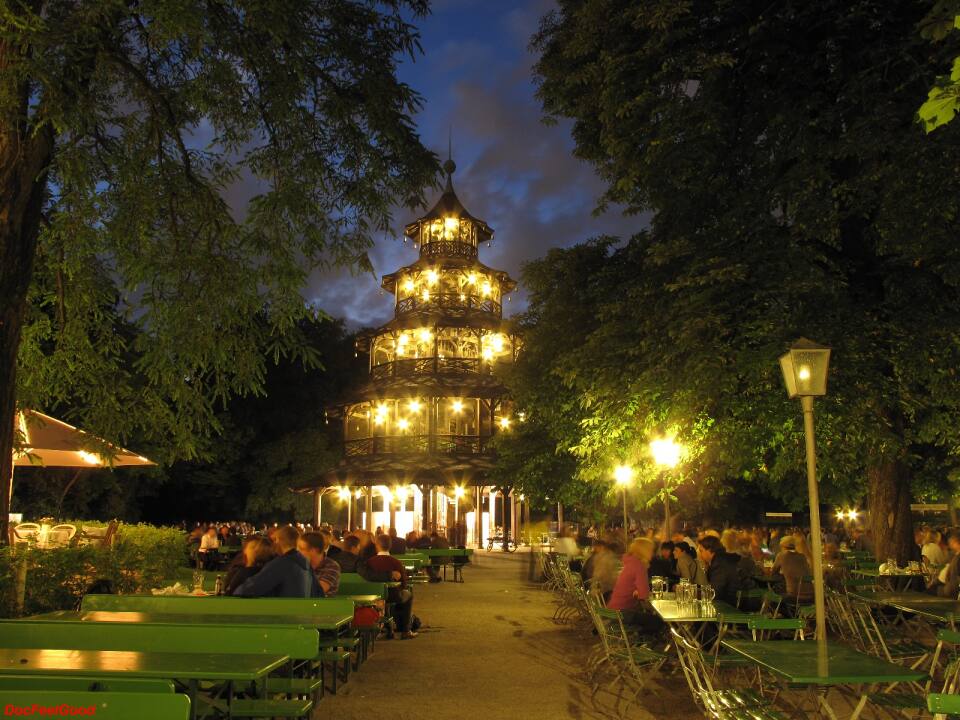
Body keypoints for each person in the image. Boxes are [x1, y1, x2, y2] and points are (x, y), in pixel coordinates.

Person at [233, 525, 319, 598]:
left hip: (284, 615)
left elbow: (249, 589)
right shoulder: (306, 564)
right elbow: (318, 593)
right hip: (302, 614)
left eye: (274, 540)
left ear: (279, 540)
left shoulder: (282, 564)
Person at [364, 534, 417, 638]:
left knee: (387, 601)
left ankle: (388, 628)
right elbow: (404, 583)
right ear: (390, 546)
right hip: (394, 595)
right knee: (408, 595)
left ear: (377, 546)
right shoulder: (396, 562)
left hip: (374, 596)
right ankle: (405, 630)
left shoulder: (370, 562)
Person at [607, 537, 662, 633]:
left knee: (648, 616)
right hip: (623, 613)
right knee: (657, 621)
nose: (653, 553)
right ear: (644, 550)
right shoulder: (639, 566)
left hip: (613, 610)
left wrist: (637, 591)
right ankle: (639, 642)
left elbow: (636, 589)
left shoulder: (630, 562)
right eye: (651, 550)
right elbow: (644, 595)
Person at [697, 535, 742, 606]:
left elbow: (715, 592)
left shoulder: (719, 563)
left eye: (701, 551)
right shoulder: (722, 558)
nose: (700, 554)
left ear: (709, 550)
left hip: (732, 605)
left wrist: (695, 594)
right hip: (735, 601)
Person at [298, 531, 341, 596]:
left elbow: (317, 591)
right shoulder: (297, 564)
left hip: (323, 605)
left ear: (315, 550)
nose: (298, 552)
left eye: (302, 549)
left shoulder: (332, 566)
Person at [772, 535, 813, 603]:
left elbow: (773, 573)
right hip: (811, 595)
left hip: (795, 596)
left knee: (773, 597)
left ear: (782, 546)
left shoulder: (781, 555)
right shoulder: (802, 556)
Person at [930, 531, 960, 597]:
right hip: (946, 586)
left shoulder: (954, 555)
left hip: (952, 589)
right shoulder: (953, 554)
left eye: (952, 541)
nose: (950, 544)